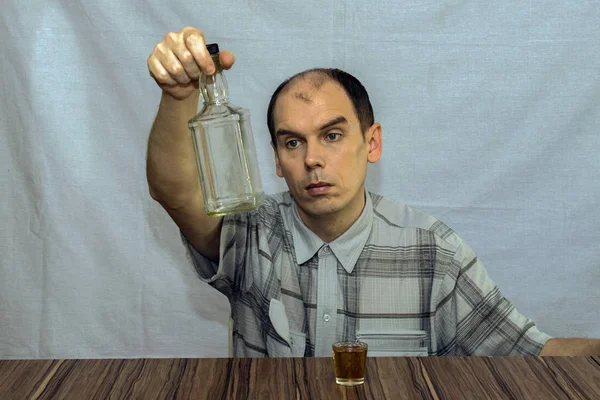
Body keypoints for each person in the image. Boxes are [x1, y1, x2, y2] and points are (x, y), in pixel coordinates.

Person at [146, 26, 600, 357]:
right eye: (293, 142)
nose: (312, 160)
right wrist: (176, 94)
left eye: (332, 135)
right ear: (277, 161)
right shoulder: (251, 233)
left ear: (373, 142)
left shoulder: (433, 251)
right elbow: (175, 192)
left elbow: (533, 356)